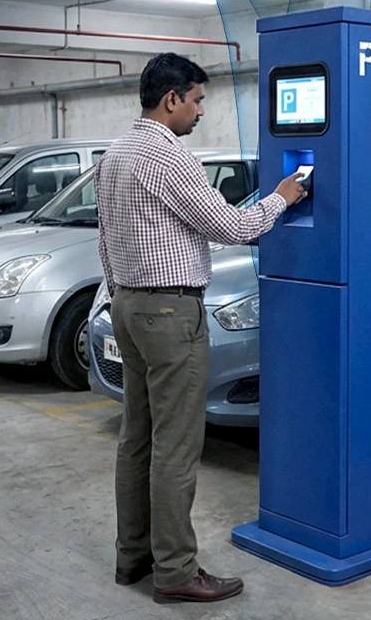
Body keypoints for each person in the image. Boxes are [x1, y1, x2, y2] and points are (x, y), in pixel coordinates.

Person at [94, 53, 307, 603]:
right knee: (177, 447)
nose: (200, 111)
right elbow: (233, 225)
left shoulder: (115, 153)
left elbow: (106, 238)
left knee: (136, 439)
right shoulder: (170, 157)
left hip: (128, 306)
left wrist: (121, 297)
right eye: (197, 99)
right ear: (172, 100)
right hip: (169, 313)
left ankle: (132, 558)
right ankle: (176, 572)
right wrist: (282, 199)